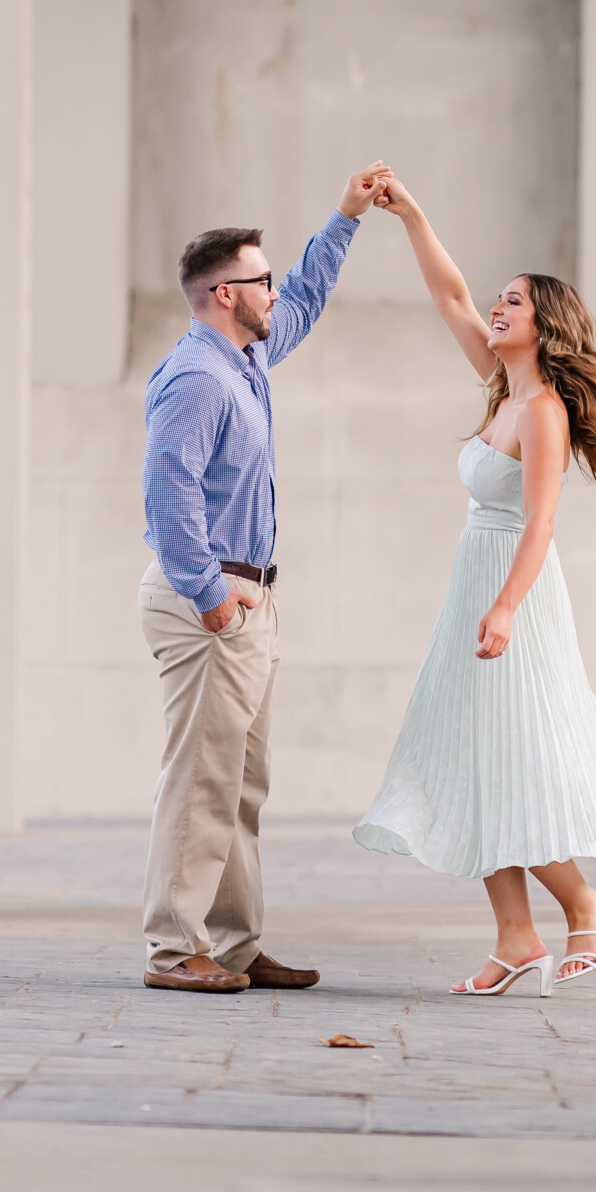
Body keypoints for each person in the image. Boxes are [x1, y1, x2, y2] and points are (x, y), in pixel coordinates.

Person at [353, 178, 596, 996]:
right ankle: (515, 936)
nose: (497, 310)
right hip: (474, 585)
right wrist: (411, 217)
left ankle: (586, 902)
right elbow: (451, 295)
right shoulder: (502, 388)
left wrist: (505, 605)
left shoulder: (541, 410)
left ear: (547, 325)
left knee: (512, 757)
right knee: (475, 759)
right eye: (500, 301)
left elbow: (541, 521)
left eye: (515, 303)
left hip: (517, 592)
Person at [139, 163, 389, 993]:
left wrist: (345, 217)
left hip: (249, 597)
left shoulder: (244, 359)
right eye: (261, 280)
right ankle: (176, 952)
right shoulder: (200, 377)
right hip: (209, 600)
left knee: (241, 784)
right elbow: (166, 488)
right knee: (202, 781)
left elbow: (308, 298)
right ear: (221, 294)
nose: (275, 291)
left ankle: (234, 944)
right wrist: (209, 591)